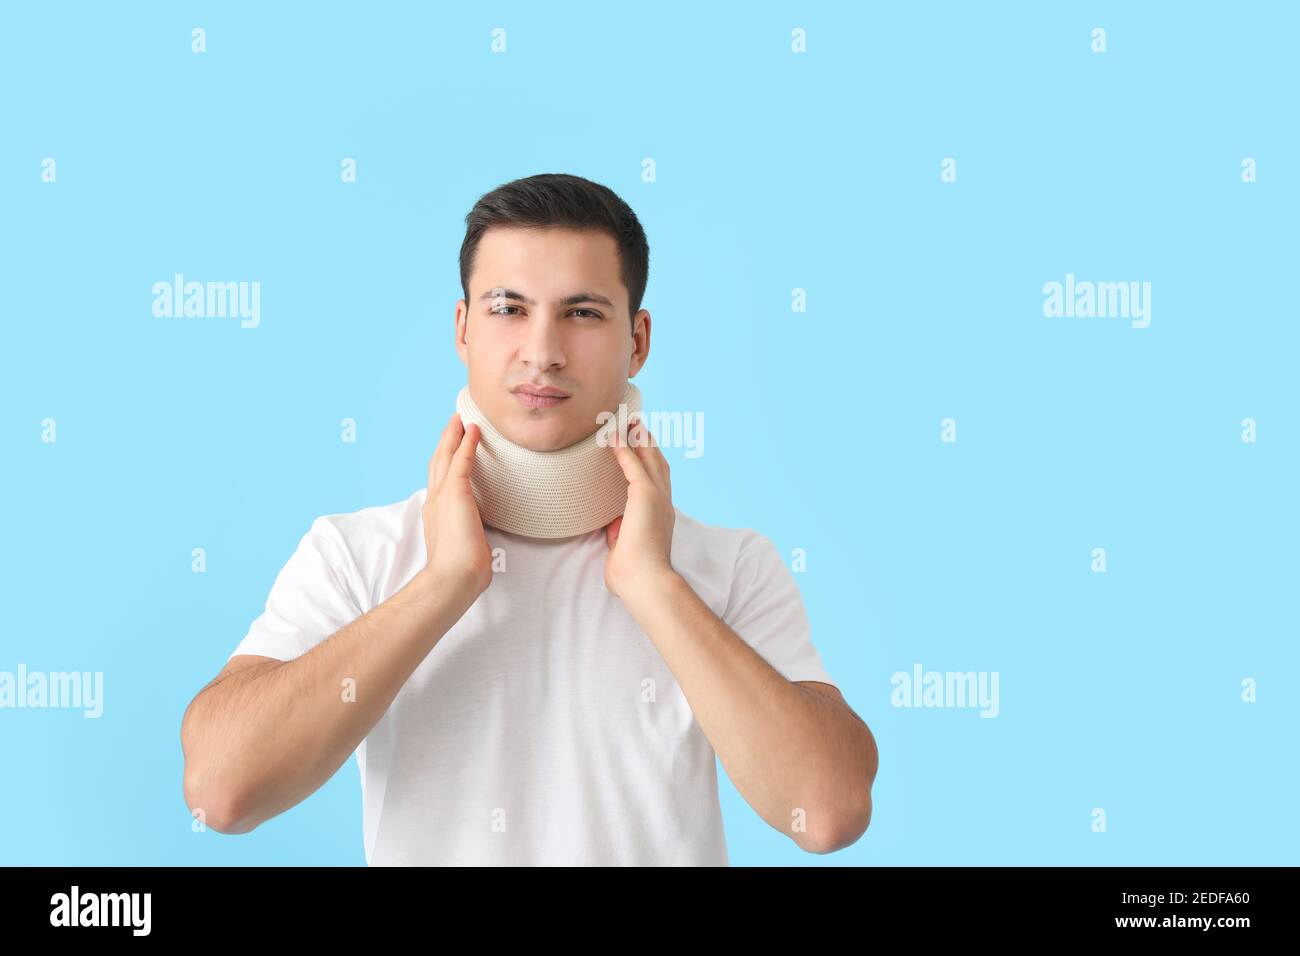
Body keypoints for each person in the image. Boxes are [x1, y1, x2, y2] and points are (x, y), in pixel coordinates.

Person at [180, 173, 879, 865]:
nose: (541, 352)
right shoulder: (357, 555)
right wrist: (443, 583)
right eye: (508, 308)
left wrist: (654, 586)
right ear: (462, 329)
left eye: (582, 313)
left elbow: (827, 813)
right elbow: (220, 792)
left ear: (637, 341)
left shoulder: (729, 568)